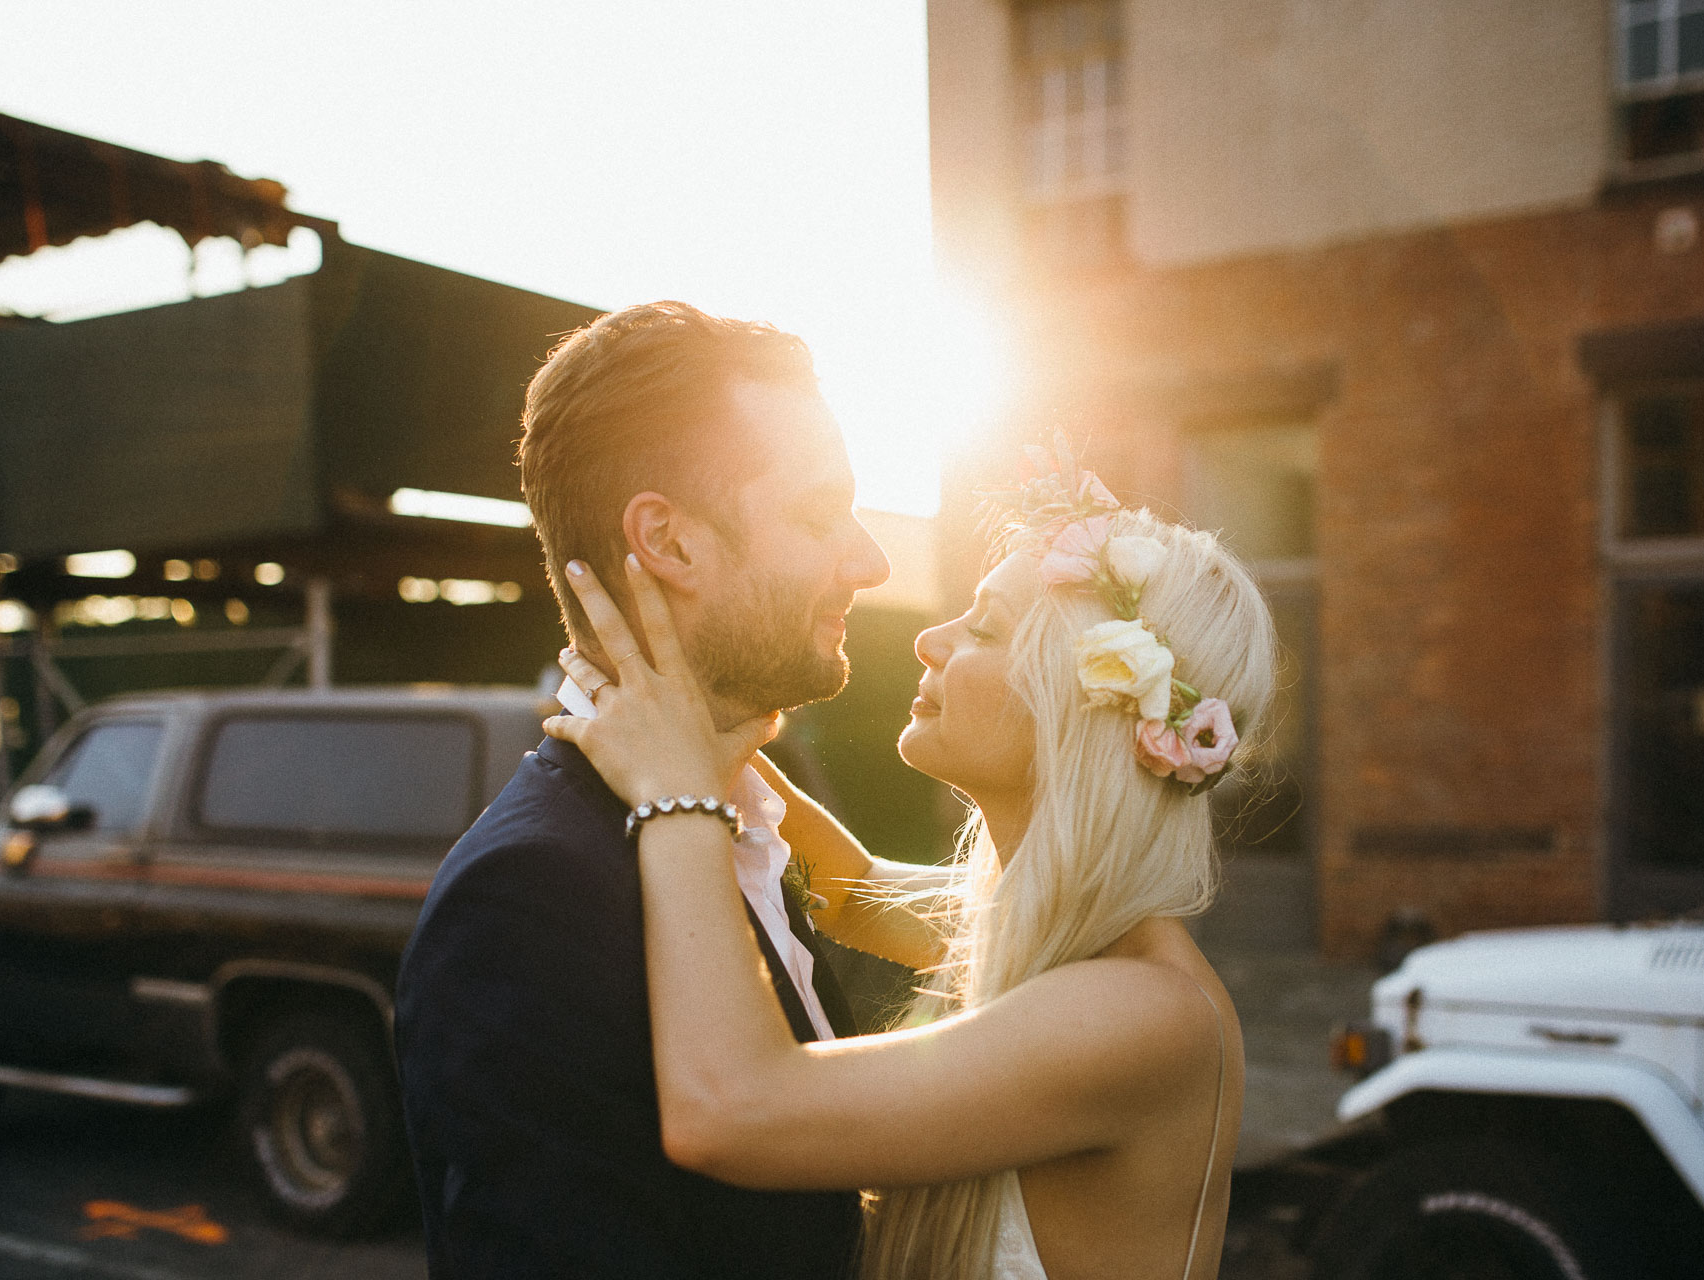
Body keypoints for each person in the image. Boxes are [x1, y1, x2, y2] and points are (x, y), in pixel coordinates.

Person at [545, 448, 1277, 1280]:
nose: (929, 641)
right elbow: (846, 891)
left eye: (986, 629)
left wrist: (673, 794)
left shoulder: (1140, 1013)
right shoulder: (1047, 935)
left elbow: (727, 1110)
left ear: (1087, 704)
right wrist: (701, 702)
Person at [394, 301, 892, 1279]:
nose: (869, 558)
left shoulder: (746, 821)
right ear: (669, 542)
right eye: (817, 511)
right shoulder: (534, 894)